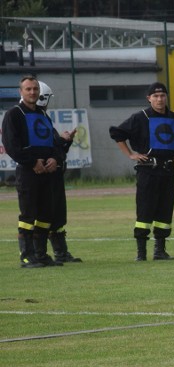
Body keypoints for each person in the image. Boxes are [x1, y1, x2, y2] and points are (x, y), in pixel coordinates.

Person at [110, 82, 174, 261]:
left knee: (165, 210)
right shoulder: (140, 118)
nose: (159, 99)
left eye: (162, 95)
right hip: (148, 170)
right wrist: (131, 155)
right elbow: (118, 134)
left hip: (167, 171)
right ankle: (141, 253)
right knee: (145, 210)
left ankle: (160, 250)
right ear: (149, 99)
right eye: (155, 96)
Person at [2, 75, 62, 267]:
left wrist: (55, 158)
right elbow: (11, 145)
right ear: (21, 92)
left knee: (46, 215)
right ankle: (27, 257)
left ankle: (41, 255)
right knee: (28, 216)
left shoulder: (43, 115)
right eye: (28, 89)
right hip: (28, 173)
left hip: (47, 172)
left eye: (35, 89)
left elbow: (53, 143)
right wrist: (31, 162)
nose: (32, 92)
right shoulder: (14, 114)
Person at [38, 81, 83, 263]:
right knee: (44, 213)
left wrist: (65, 141)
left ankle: (61, 252)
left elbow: (55, 149)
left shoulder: (43, 118)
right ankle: (37, 253)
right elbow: (47, 149)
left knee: (57, 213)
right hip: (43, 175)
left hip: (54, 174)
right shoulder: (34, 119)